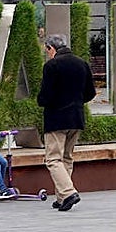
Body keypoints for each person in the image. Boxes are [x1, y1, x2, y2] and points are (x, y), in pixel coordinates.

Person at [37, 33, 96, 212]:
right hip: (76, 117)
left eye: (46, 50)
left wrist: (43, 101)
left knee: (53, 159)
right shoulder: (82, 63)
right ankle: (62, 198)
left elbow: (45, 95)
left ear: (50, 48)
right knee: (67, 158)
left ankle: (69, 192)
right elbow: (90, 92)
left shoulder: (52, 65)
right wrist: (76, 102)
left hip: (56, 118)